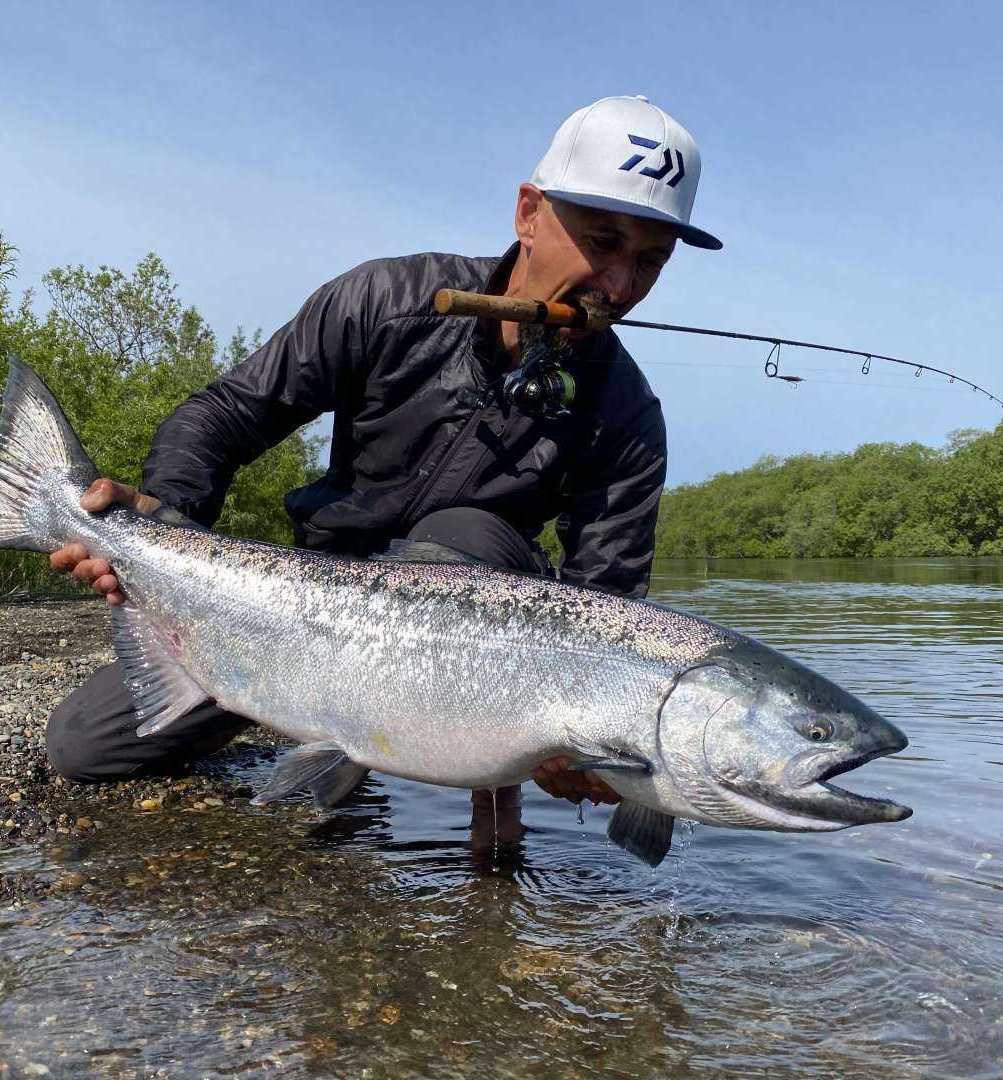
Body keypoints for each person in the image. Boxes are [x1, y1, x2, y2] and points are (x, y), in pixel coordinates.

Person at [43, 95, 721, 819]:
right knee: (83, 747)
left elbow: (609, 608)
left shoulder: (628, 418)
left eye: (650, 260)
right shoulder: (386, 300)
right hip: (300, 614)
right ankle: (309, 721)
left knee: (465, 533)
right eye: (601, 241)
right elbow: (225, 414)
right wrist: (167, 520)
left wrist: (589, 746)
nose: (619, 287)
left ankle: (373, 748)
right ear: (529, 213)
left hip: (471, 670)